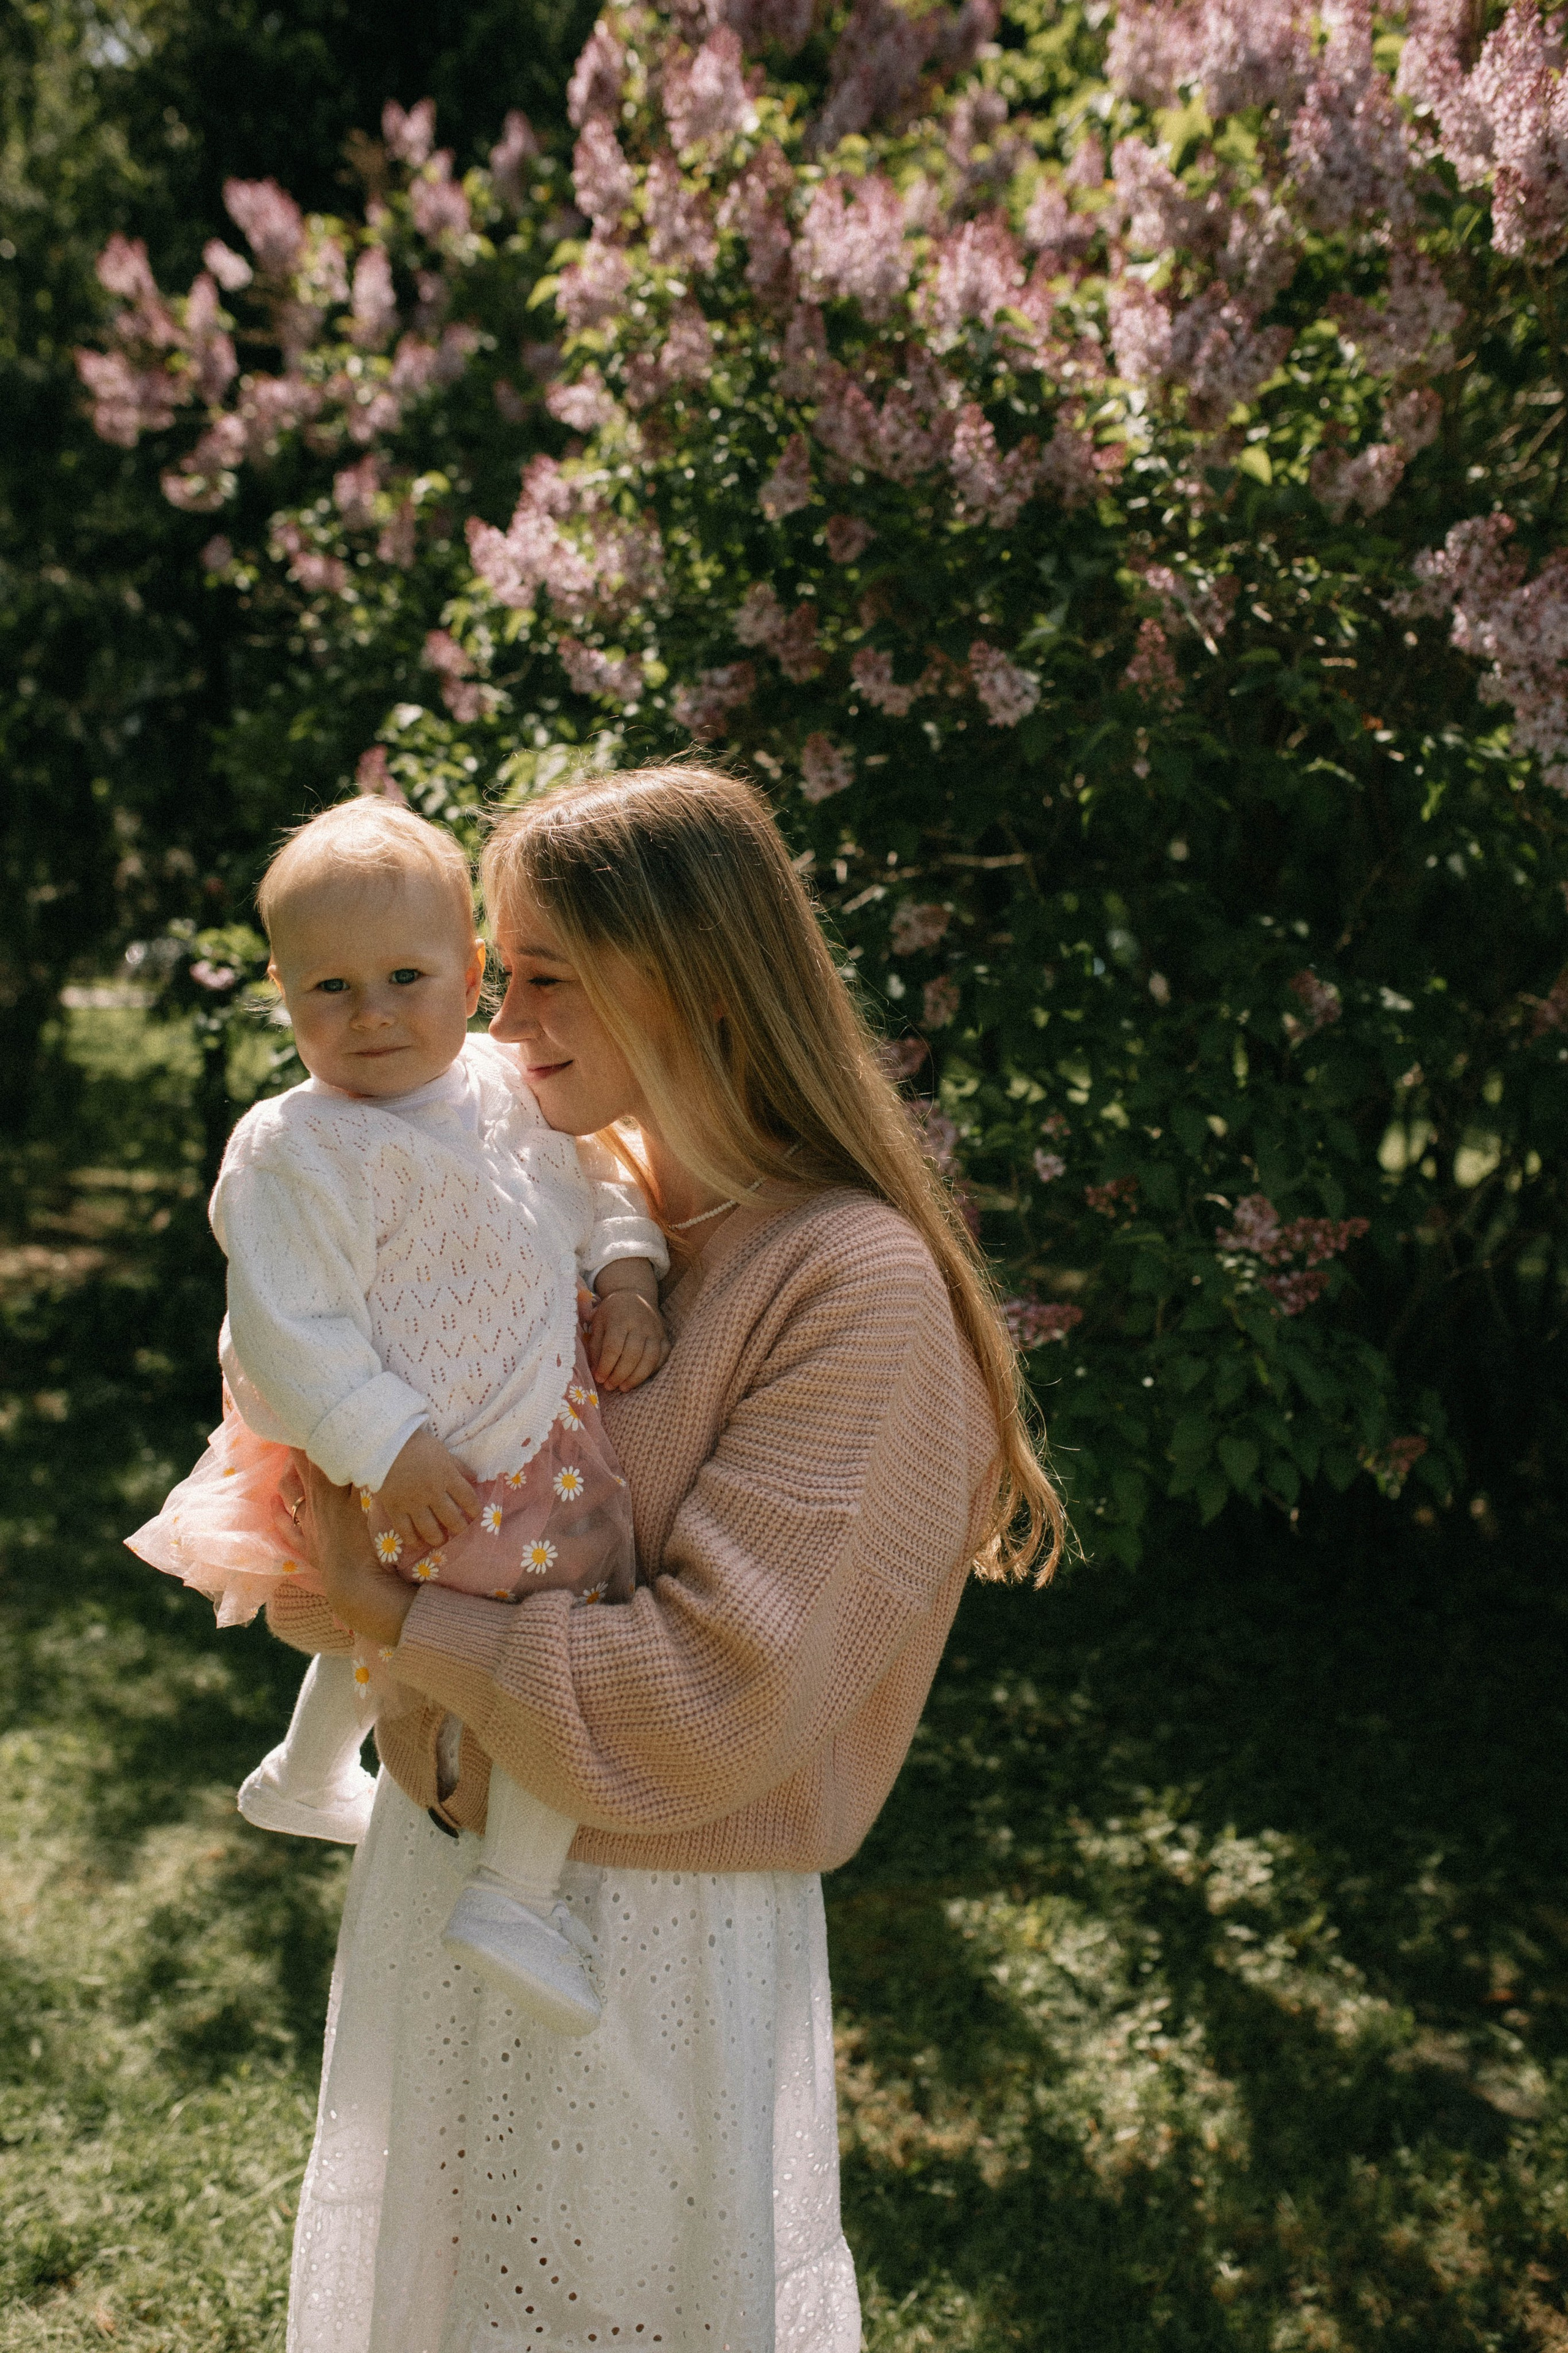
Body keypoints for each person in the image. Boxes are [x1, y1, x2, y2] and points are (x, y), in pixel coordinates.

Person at [275, 762, 1065, 2353]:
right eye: (498, 971)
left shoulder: (850, 1281)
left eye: (549, 975)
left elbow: (710, 1700)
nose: (500, 1024)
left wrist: (389, 1612)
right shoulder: (577, 1206)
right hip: (449, 1895)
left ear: (694, 978)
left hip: (640, 1953)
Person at [127, 798, 671, 2035]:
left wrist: (630, 1271)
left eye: (405, 977)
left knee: (497, 1629)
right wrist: (381, 1438)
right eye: (329, 988)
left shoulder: (503, 1085)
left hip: (527, 1432)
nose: (369, 1012)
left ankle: (313, 1772)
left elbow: (603, 1184)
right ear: (280, 993)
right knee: (540, 1637)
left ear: (474, 975)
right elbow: (284, 1323)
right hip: (404, 1458)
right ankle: (513, 1894)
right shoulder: (293, 1147)